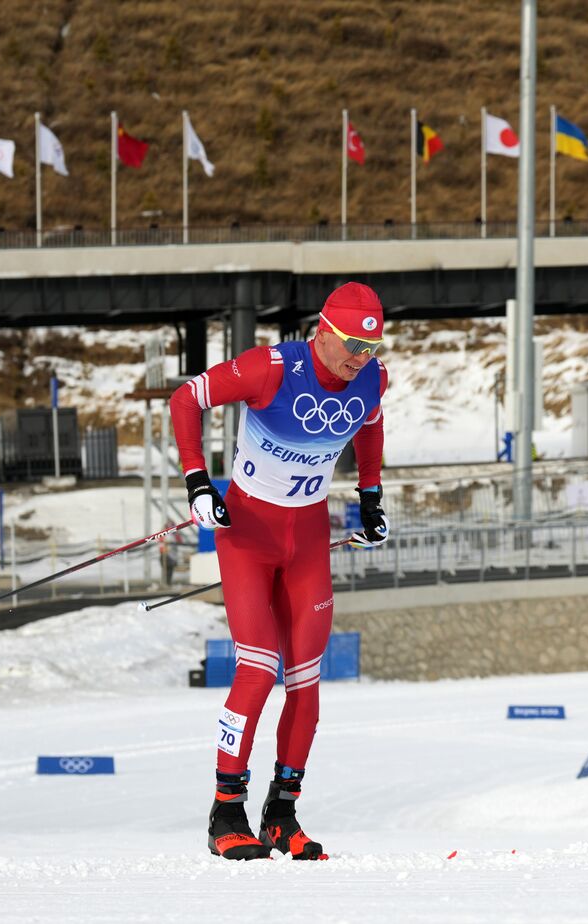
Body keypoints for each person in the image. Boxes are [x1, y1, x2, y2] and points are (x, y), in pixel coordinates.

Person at [169, 282, 391, 861]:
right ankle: (225, 814)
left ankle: (281, 815)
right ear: (322, 330)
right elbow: (186, 399)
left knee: (306, 680)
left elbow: (369, 424)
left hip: (308, 540)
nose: (357, 360)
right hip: (247, 536)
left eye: (369, 349)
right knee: (258, 667)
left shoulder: (370, 378)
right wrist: (198, 482)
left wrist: (371, 498)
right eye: (349, 346)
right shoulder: (271, 368)